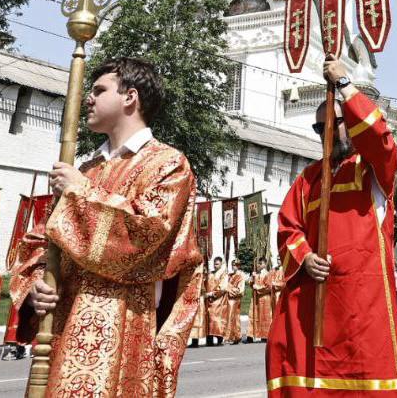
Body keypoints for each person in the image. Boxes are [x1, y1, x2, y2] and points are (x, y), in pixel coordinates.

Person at [12, 57, 203, 397]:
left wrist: (79, 192)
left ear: (130, 97)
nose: (89, 98)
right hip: (61, 322)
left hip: (122, 322)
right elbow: (43, 240)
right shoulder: (85, 168)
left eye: (99, 90)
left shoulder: (168, 163)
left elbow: (145, 236)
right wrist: (36, 284)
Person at [267, 56, 397, 396]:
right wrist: (304, 256)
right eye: (321, 128)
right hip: (318, 303)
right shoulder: (309, 179)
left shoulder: (372, 170)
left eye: (336, 122)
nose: (328, 133)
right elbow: (288, 226)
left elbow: (381, 140)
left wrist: (345, 85)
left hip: (361, 308)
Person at [247, 257, 272, 342]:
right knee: (253, 315)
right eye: (258, 263)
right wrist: (252, 278)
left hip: (264, 298)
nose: (258, 265)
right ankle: (250, 335)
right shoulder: (256, 274)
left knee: (264, 317)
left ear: (265, 264)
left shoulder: (267, 274)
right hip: (256, 298)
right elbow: (251, 285)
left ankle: (264, 335)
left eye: (260, 264)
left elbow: (268, 287)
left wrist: (258, 288)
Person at [205, 256, 227, 345]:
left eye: (217, 264)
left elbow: (223, 288)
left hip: (218, 300)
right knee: (208, 319)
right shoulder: (210, 274)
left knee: (216, 319)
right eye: (214, 263)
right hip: (209, 300)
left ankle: (219, 338)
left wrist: (212, 294)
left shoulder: (223, 275)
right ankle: (209, 340)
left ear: (221, 264)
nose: (215, 265)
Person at [224, 259, 245, 344]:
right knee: (232, 317)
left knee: (232, 316)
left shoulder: (241, 275)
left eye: (236, 265)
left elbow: (240, 289)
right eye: (233, 265)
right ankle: (237, 336)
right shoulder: (230, 275)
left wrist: (229, 289)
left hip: (235, 298)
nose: (234, 266)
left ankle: (229, 336)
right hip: (228, 298)